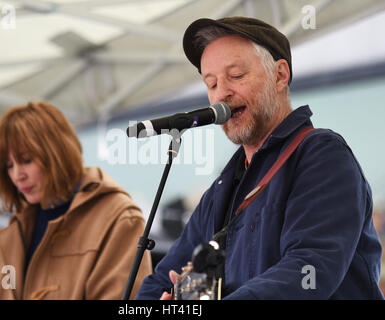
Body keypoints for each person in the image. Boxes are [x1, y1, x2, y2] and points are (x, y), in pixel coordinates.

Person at [135, 16, 384, 300]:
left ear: (280, 75)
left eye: (237, 75)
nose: (221, 93)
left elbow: (308, 272)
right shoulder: (220, 191)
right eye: (211, 83)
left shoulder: (322, 157)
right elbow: (159, 282)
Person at [0, 101, 152, 299]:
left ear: (57, 153)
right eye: (8, 165)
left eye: (26, 160)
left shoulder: (119, 218)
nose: (17, 175)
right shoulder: (18, 227)